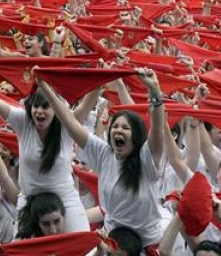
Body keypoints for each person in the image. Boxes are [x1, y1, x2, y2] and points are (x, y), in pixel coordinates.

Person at [0, 64, 90, 233]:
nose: (39, 112)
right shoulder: (23, 121)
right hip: (29, 200)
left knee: (81, 247)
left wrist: (99, 83)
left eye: (45, 107)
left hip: (64, 198)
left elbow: (85, 107)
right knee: (20, 255)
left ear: (56, 110)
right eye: (36, 106)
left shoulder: (65, 125)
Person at [38, 70, 165, 243]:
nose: (118, 130)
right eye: (115, 126)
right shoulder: (104, 153)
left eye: (126, 128)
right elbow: (69, 121)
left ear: (136, 137)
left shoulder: (146, 159)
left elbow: (158, 129)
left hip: (145, 245)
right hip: (112, 243)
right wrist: (46, 89)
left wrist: (155, 91)